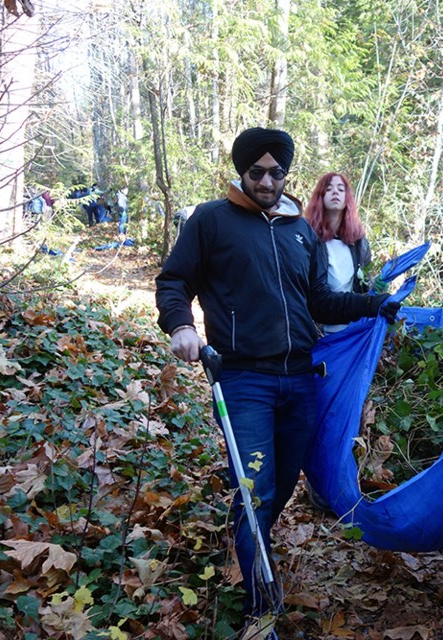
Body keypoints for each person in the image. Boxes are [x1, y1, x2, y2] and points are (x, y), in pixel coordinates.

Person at [155, 127, 400, 624]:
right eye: (257, 171)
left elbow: (320, 299)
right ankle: (259, 608)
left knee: (281, 485)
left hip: (300, 379)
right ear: (241, 171)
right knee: (255, 489)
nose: (267, 181)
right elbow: (174, 280)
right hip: (244, 380)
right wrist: (181, 325)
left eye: (276, 172)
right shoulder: (211, 220)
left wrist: (376, 303)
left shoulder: (298, 230)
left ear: (287, 174)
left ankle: (248, 547)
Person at [304, 172, 381, 335]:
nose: (335, 192)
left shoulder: (359, 243)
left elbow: (364, 285)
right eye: (329, 188)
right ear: (320, 196)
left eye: (340, 188)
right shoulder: (308, 238)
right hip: (318, 332)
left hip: (352, 332)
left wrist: (376, 285)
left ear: (347, 197)